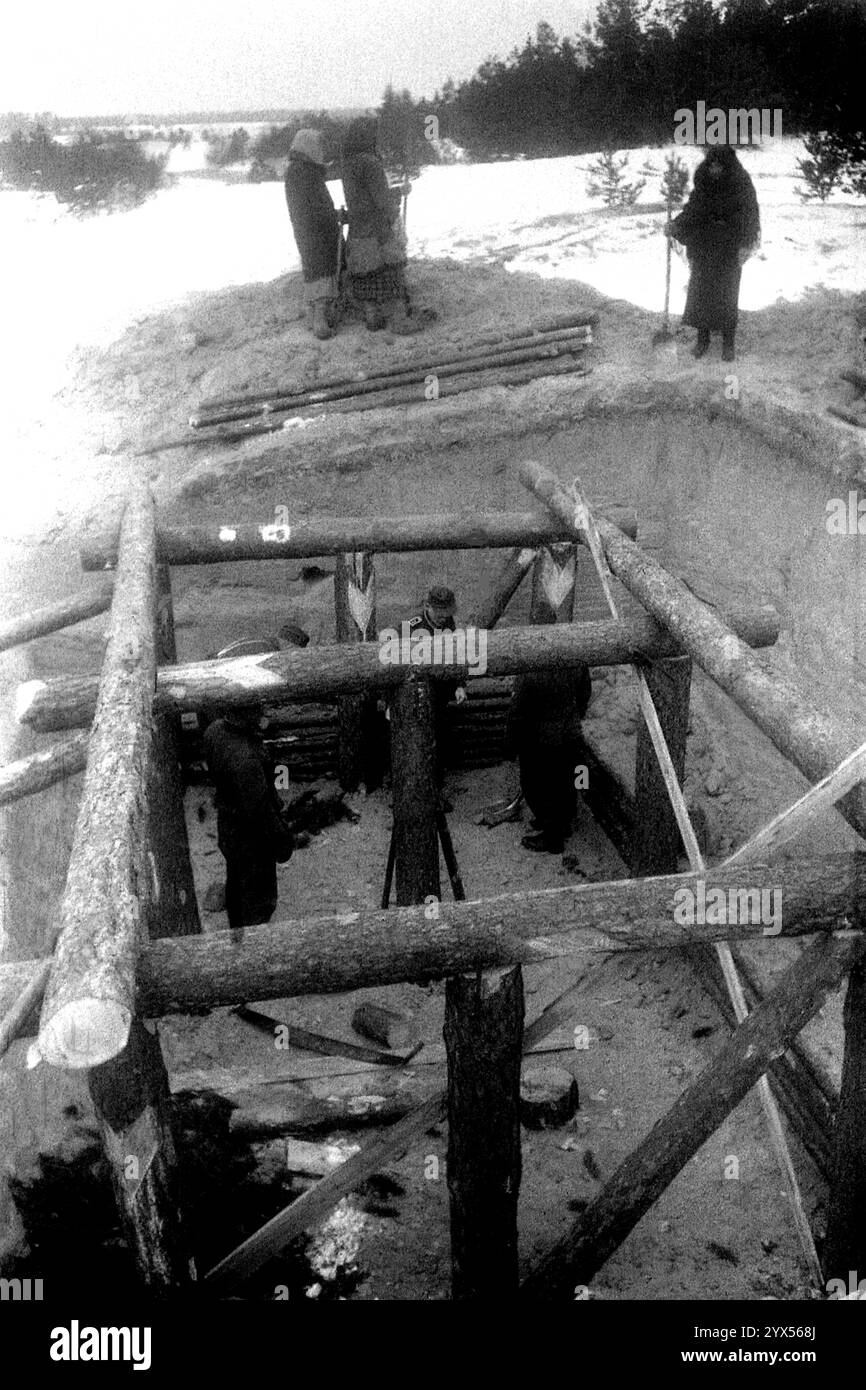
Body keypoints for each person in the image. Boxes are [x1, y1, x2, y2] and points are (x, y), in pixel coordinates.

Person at [667, 145, 760, 362]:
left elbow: (750, 216)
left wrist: (744, 242)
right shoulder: (704, 185)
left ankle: (728, 343)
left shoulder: (741, 186)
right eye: (712, 165)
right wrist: (676, 225)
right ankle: (703, 339)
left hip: (728, 246)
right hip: (705, 245)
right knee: (701, 291)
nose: (715, 170)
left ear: (728, 166)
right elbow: (693, 210)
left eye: (720, 165)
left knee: (727, 293)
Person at [203, 707, 293, 930]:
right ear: (246, 714)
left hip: (229, 828)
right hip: (252, 839)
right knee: (259, 901)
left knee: (235, 882)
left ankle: (237, 930)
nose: (263, 714)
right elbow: (260, 812)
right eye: (257, 710)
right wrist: (282, 841)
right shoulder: (246, 760)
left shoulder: (214, 731)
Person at [341, 116, 420, 335]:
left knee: (366, 277)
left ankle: (372, 317)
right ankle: (400, 320)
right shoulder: (370, 162)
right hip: (378, 232)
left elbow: (362, 197)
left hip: (358, 231)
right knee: (390, 274)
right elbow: (381, 199)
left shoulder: (347, 164)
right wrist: (397, 207)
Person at [506, 660, 592, 854]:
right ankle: (563, 824)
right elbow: (584, 693)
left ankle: (553, 838)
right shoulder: (577, 661)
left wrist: (511, 743)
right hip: (570, 734)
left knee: (535, 786)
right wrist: (574, 717)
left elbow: (517, 710)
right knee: (567, 782)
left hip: (539, 739)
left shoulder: (529, 670)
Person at [403, 585, 466, 799]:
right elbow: (396, 667)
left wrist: (459, 684)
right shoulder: (412, 628)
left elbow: (454, 653)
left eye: (447, 614)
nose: (443, 619)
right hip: (416, 699)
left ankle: (436, 792)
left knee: (439, 743)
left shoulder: (448, 622)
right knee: (418, 745)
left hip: (439, 696)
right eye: (439, 614)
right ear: (427, 606)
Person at [284, 128, 341, 340]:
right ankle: (320, 320)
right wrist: (331, 216)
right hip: (316, 229)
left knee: (316, 268)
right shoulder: (304, 172)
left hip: (308, 228)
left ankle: (319, 315)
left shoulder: (298, 170)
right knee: (322, 268)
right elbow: (315, 204)